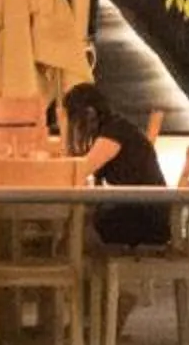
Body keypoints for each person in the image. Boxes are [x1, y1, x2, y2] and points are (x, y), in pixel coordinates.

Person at [59, 82, 170, 247]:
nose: (75, 126)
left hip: (145, 216)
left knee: (84, 222)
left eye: (74, 119)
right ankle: (75, 260)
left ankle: (78, 264)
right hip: (144, 206)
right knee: (83, 217)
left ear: (89, 114)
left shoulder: (113, 134)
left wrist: (68, 139)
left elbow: (81, 170)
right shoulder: (115, 127)